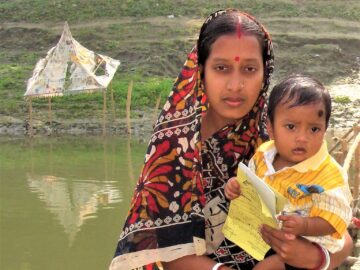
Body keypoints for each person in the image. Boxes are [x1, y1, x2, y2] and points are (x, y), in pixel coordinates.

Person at [109, 9, 353, 270]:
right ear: (201, 71)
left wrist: (317, 257)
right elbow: (165, 248)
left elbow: (342, 238)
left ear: (264, 74)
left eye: (249, 69)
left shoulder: (277, 139)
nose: (235, 85)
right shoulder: (175, 147)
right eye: (222, 68)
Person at [225, 74, 353, 270]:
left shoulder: (327, 175)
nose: (302, 138)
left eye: (314, 129)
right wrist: (236, 188)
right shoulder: (263, 155)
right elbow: (251, 185)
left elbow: (335, 218)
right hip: (265, 236)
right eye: (291, 127)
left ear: (325, 128)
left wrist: (305, 225)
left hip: (306, 247)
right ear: (271, 128)